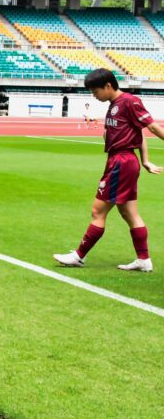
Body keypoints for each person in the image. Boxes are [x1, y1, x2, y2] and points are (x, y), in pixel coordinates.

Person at [54, 69, 164, 272]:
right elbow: (138, 132)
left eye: (95, 91)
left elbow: (152, 127)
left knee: (98, 211)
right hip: (122, 161)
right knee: (129, 212)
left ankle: (79, 256)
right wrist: (145, 160)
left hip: (121, 162)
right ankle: (143, 259)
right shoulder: (114, 104)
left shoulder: (129, 101)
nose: (94, 96)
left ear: (108, 86)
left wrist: (143, 159)